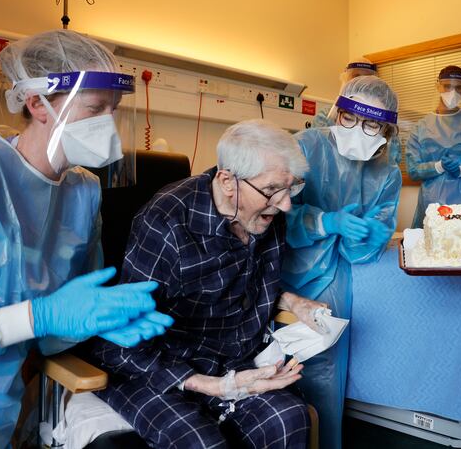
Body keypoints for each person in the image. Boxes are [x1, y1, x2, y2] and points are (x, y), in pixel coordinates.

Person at [0, 30, 171, 448]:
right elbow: (40, 317)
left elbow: (56, 324)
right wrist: (35, 316)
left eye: (114, 110)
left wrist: (97, 321)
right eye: (96, 108)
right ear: (37, 104)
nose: (109, 125)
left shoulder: (82, 192)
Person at [90, 120, 324, 448]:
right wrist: (212, 386)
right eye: (273, 190)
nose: (285, 204)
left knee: (289, 419)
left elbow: (236, 287)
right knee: (203, 444)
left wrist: (290, 300)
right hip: (156, 369)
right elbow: (117, 344)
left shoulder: (264, 213)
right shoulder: (167, 222)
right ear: (228, 181)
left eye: (292, 188)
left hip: (232, 360)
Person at [283, 75, 402, 448]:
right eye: (349, 118)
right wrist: (323, 221)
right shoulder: (305, 146)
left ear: (387, 130)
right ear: (336, 112)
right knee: (269, 369)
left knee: (321, 371)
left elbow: (365, 247)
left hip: (335, 280)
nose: (358, 131)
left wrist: (368, 237)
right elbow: (273, 213)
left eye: (371, 124)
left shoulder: (387, 173)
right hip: (282, 271)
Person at [406, 65, 461, 228]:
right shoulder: (421, 127)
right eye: (447, 86)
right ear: (437, 85)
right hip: (433, 204)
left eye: (459, 87)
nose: (453, 92)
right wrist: (438, 166)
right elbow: (412, 169)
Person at [312, 57, 403, 166]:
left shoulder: (384, 122)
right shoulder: (325, 117)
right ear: (345, 79)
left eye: (371, 125)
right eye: (348, 118)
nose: (361, 81)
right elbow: (317, 152)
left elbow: (390, 161)